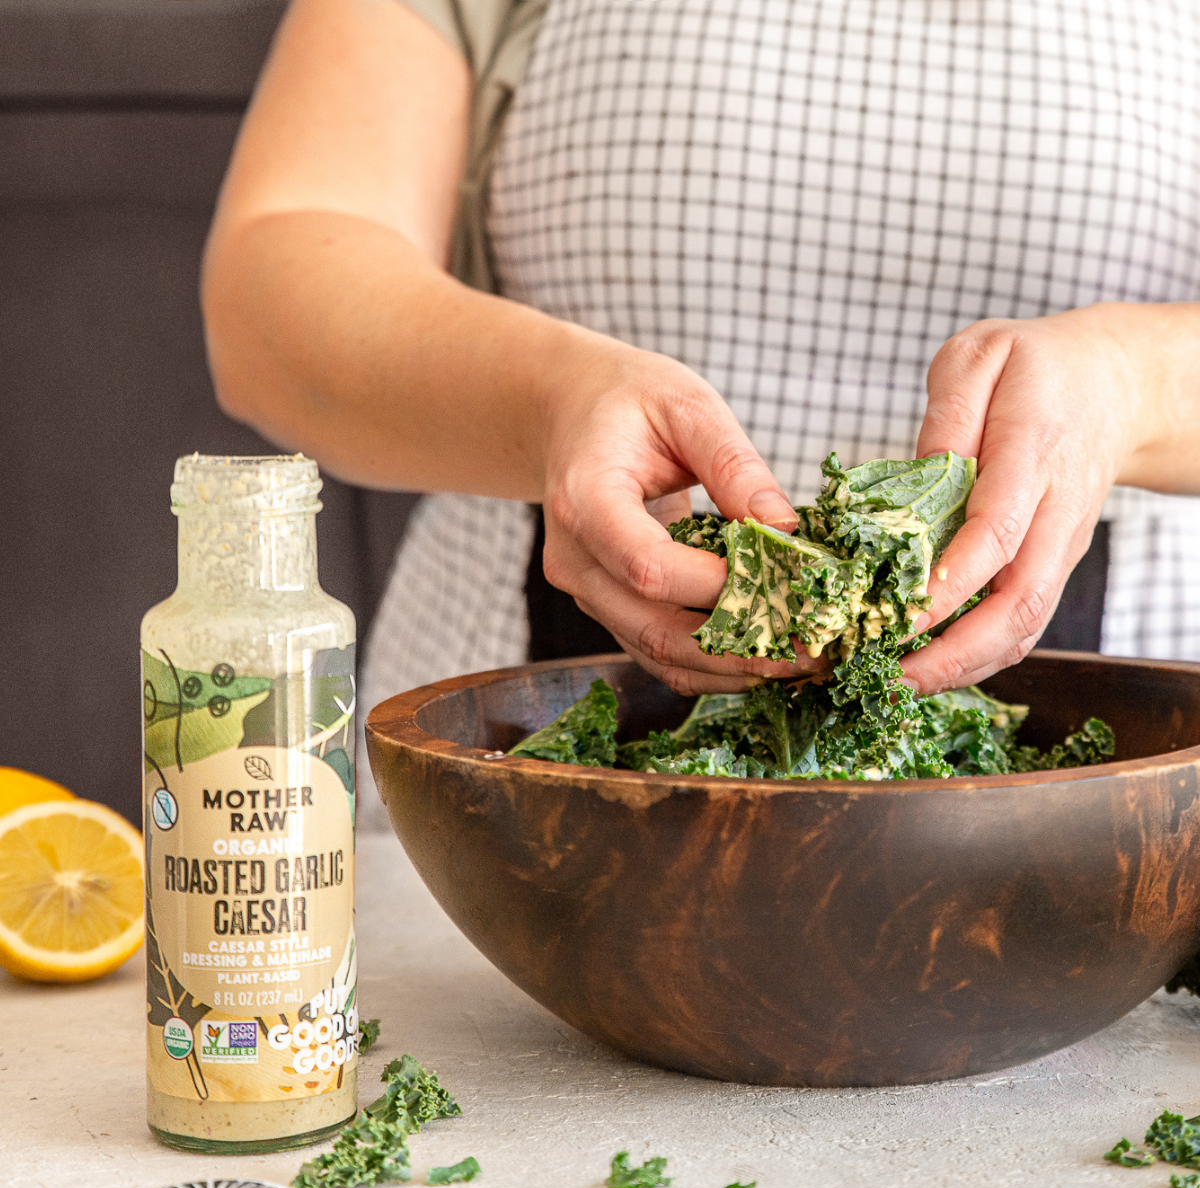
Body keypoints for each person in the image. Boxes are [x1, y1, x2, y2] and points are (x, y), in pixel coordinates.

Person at [202, 0, 1200, 767]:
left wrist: (1133, 383)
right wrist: (551, 401)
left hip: (1122, 738)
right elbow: (269, 296)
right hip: (529, 729)